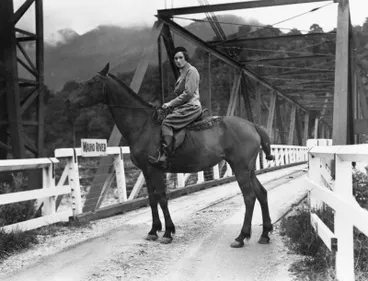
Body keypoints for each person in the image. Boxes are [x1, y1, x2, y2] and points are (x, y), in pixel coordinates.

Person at [149, 46, 202, 170]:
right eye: (175, 58)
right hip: (184, 106)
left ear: (186, 58)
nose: (178, 60)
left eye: (180, 58)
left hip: (191, 107)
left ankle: (165, 157)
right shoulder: (182, 72)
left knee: (167, 123)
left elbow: (188, 93)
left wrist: (170, 103)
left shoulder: (191, 71)